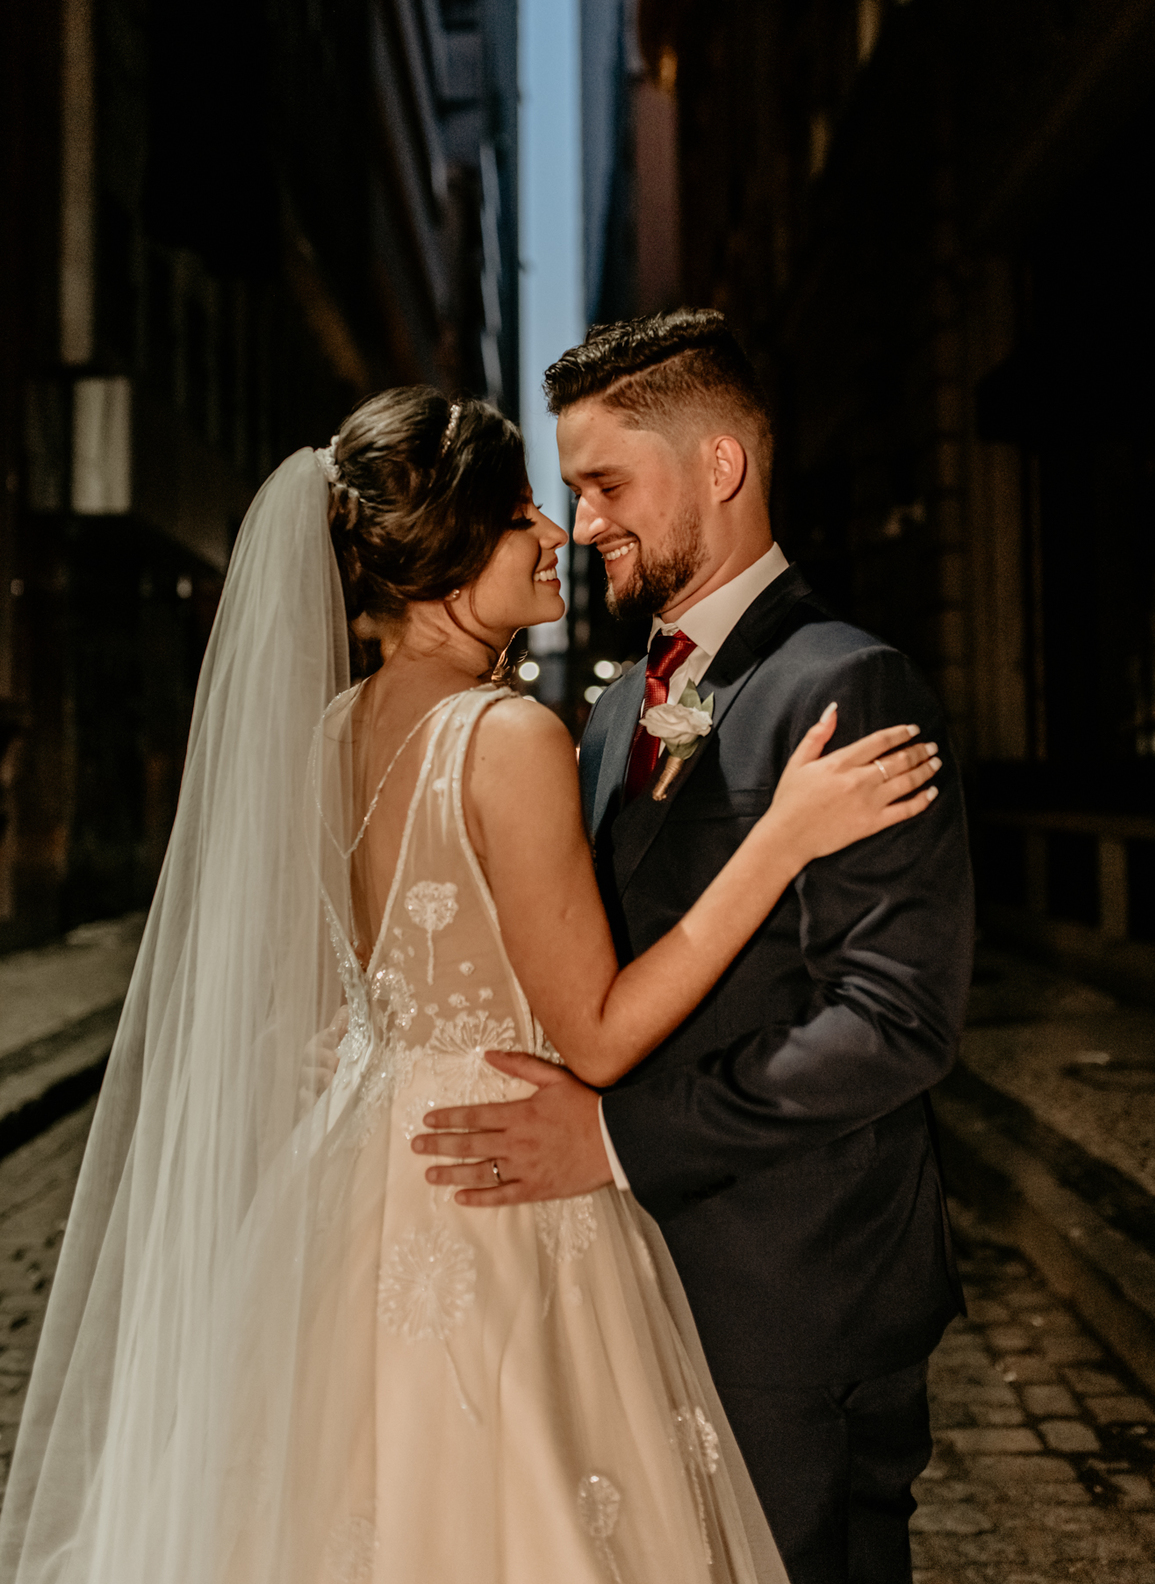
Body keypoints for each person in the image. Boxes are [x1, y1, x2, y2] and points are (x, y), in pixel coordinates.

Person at [0, 385, 939, 1584]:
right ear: (442, 547)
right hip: (498, 1185)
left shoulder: (331, 734)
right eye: (515, 516)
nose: (552, 534)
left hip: (366, 1174)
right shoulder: (506, 738)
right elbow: (598, 1038)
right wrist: (782, 835)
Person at [414, 311, 976, 1584]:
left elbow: (894, 1020)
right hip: (631, 1290)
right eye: (573, 490)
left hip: (794, 1296)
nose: (584, 523)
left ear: (720, 465)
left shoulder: (850, 684)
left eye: (607, 484)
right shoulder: (616, 710)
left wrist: (616, 1139)